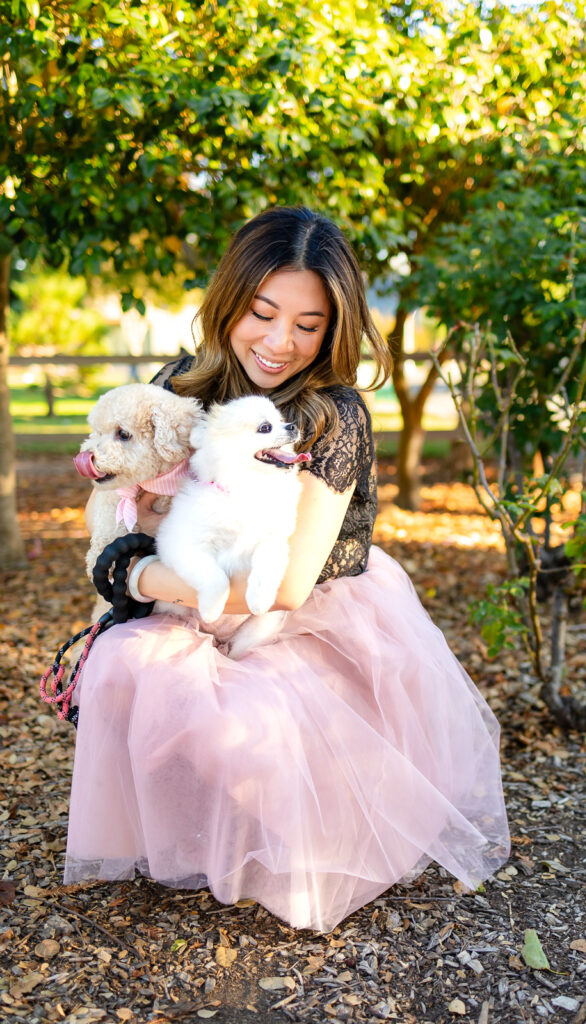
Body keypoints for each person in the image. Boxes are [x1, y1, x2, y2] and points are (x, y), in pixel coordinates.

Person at [65, 207, 509, 932]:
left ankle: (307, 836)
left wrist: (136, 580)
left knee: (261, 723)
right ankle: (194, 829)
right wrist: (123, 557)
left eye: (308, 325)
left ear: (334, 327)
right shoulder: (179, 385)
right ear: (230, 300)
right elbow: (121, 498)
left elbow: (293, 582)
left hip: (295, 603)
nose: (279, 342)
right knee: (124, 662)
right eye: (263, 312)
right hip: (194, 576)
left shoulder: (332, 415)